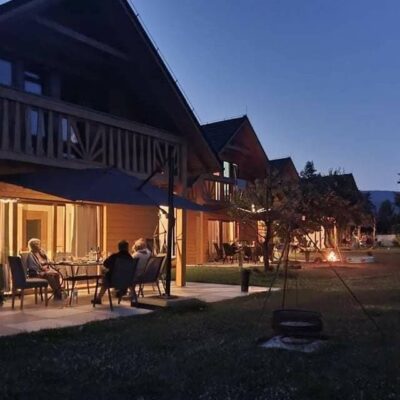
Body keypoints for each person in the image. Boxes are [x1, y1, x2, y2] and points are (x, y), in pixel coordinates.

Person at [92, 240, 133, 304]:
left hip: (113, 281)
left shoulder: (115, 256)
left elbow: (105, 263)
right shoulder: (130, 258)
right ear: (127, 248)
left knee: (104, 273)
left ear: (119, 248)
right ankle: (133, 296)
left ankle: (98, 298)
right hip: (127, 281)